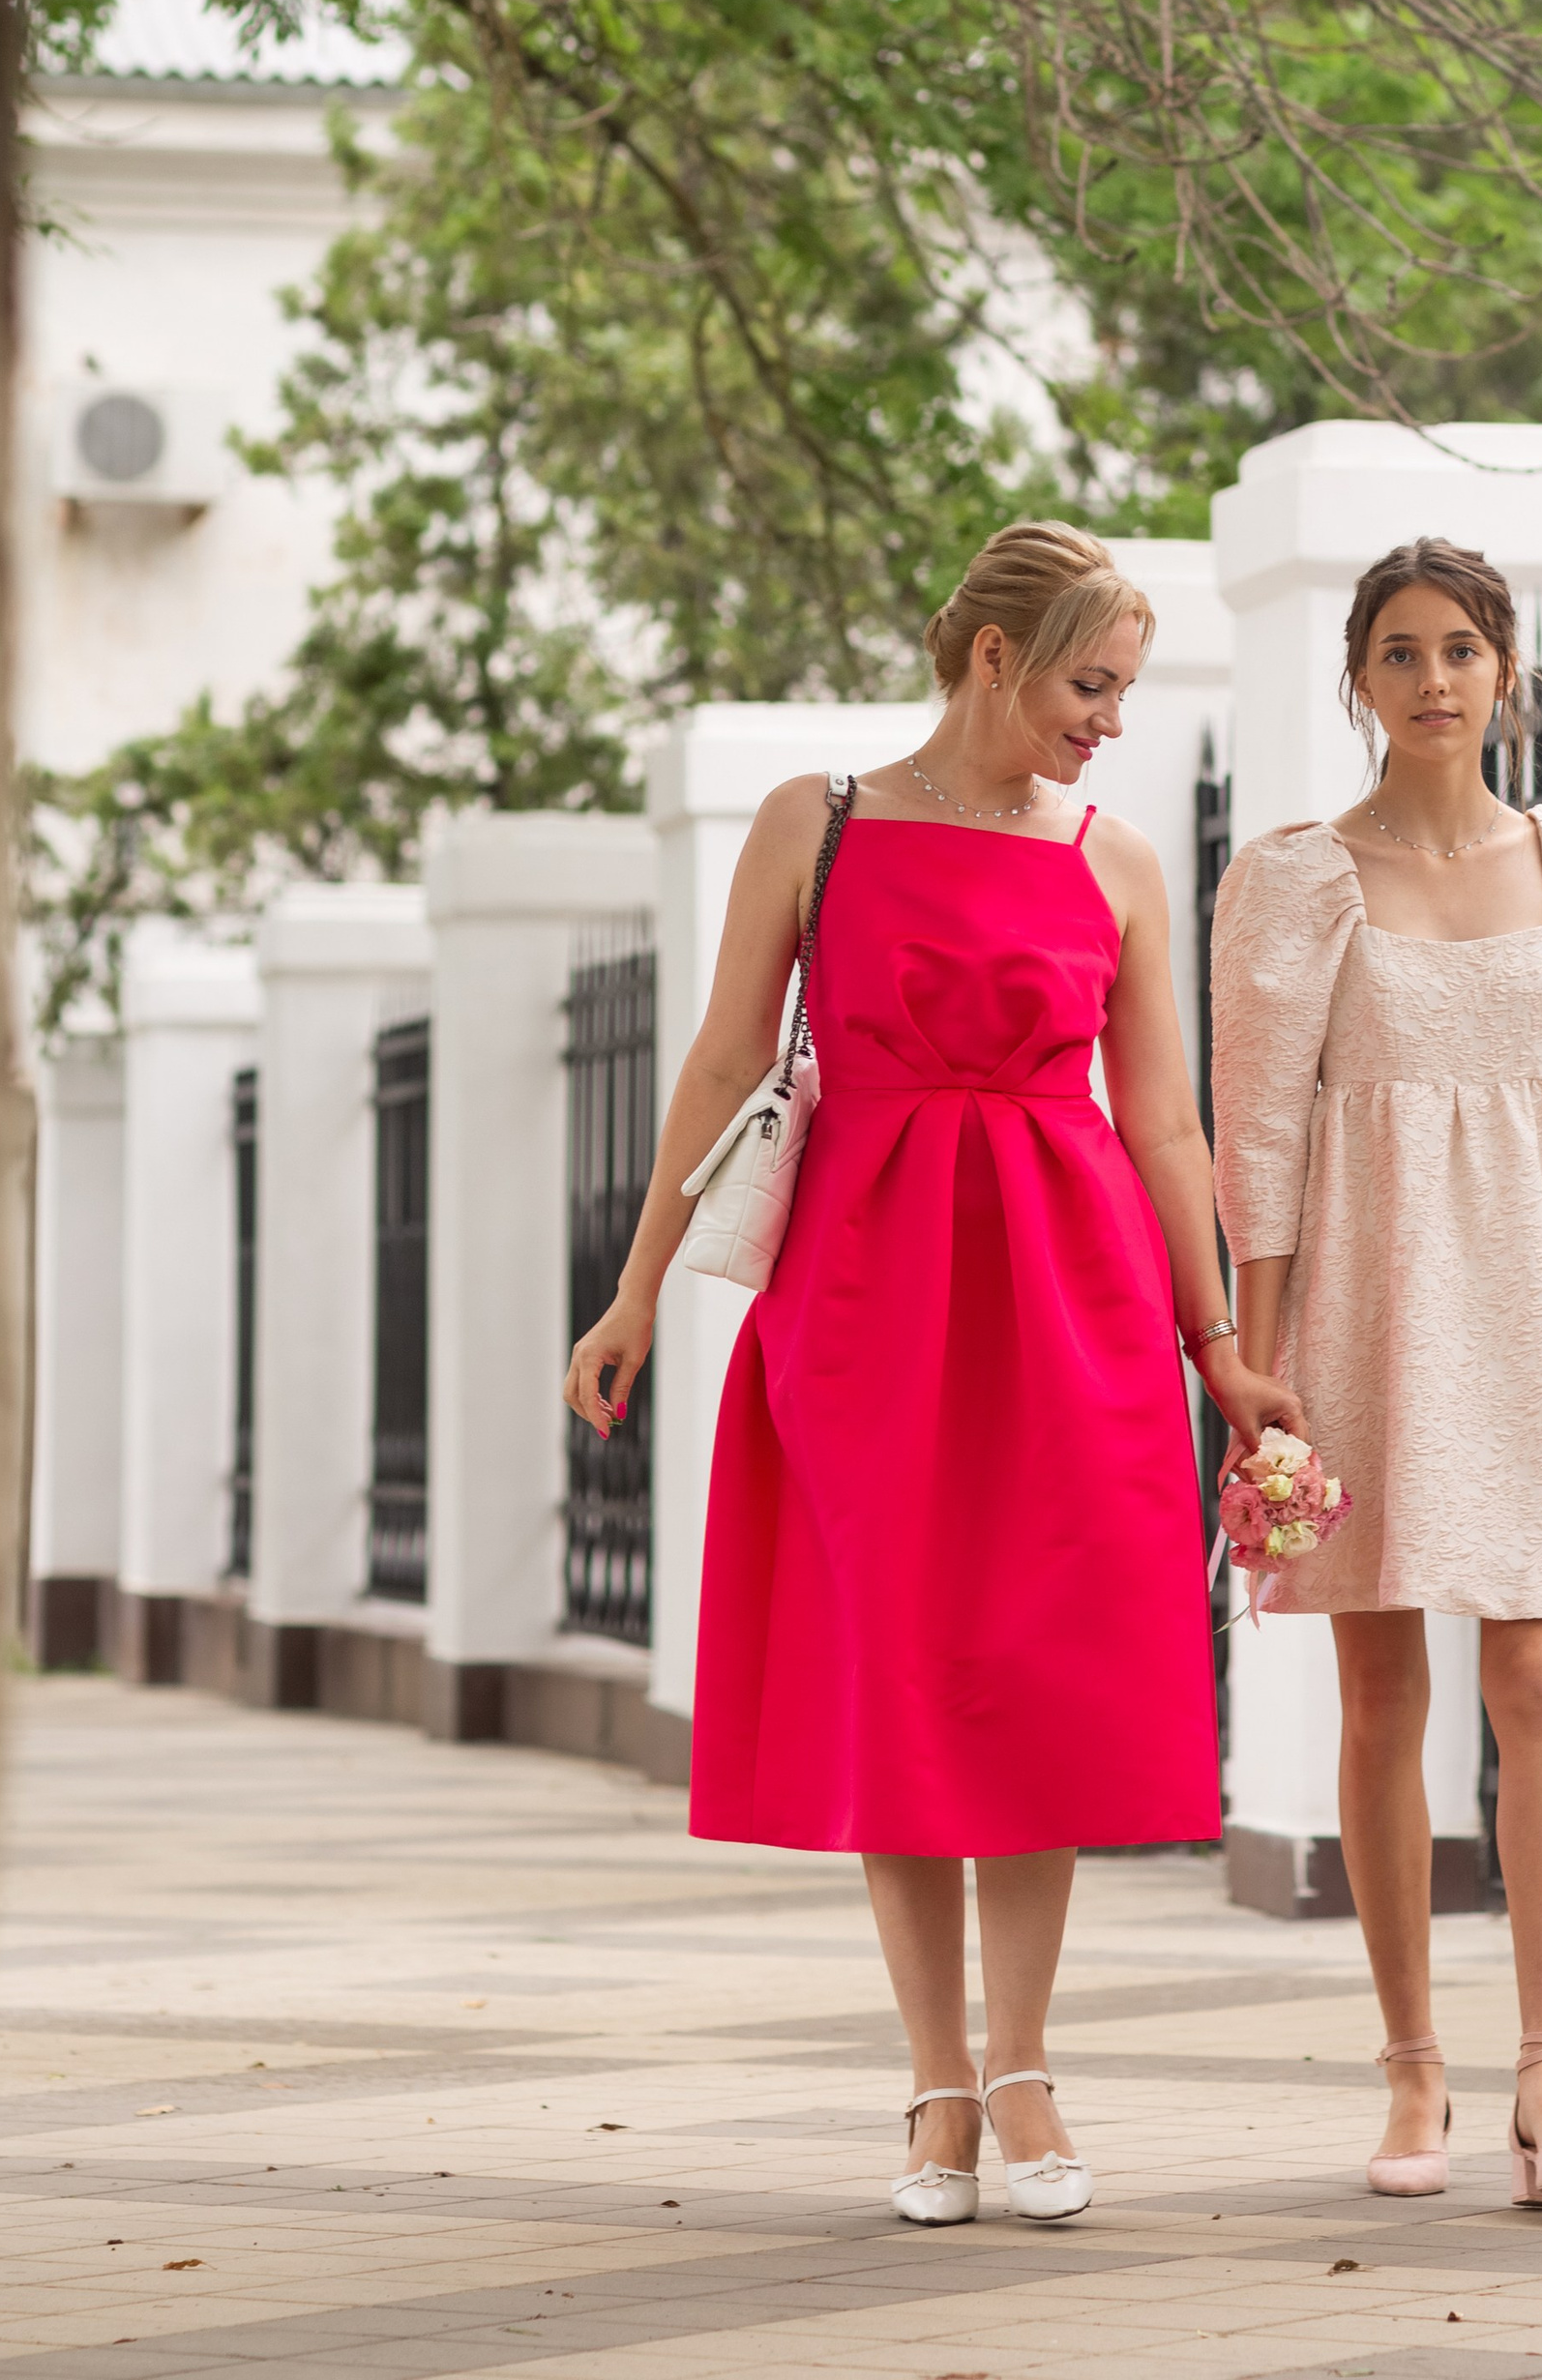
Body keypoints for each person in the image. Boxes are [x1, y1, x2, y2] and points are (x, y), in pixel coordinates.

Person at [564, 521, 1303, 2230]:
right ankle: (935, 2089)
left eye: (1122, 692)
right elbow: (729, 1058)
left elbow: (1171, 1122)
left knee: (1032, 1664)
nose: (1108, 723)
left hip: (1072, 1291)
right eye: (1088, 686)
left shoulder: (1117, 861)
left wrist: (1219, 1351)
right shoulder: (813, 827)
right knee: (897, 1662)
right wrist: (635, 1294)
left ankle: (1028, 2066)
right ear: (992, 657)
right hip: (867, 1291)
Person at [1209, 537, 1542, 2206]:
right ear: (1359, 679)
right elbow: (1257, 1139)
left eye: (1459, 648)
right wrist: (1257, 1378)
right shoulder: (1296, 878)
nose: (1430, 679)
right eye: (1397, 652)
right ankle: (1414, 2076)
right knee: (1384, 1690)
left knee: (1536, 1677)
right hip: (1361, 1301)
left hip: (1536, 1298)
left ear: (1504, 670)